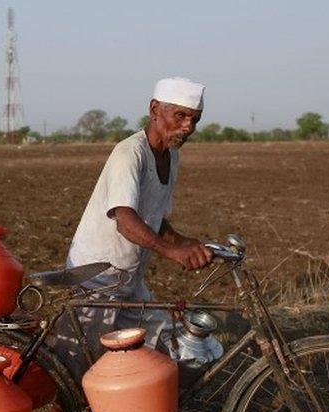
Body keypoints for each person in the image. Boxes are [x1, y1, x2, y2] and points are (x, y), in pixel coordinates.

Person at [55, 77, 213, 379]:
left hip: (128, 280)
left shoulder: (171, 156)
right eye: (180, 116)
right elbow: (126, 220)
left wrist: (188, 243)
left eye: (194, 119)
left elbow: (154, 218)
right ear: (155, 109)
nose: (188, 127)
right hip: (97, 277)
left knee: (161, 343)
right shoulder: (130, 153)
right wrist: (172, 252)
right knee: (80, 370)